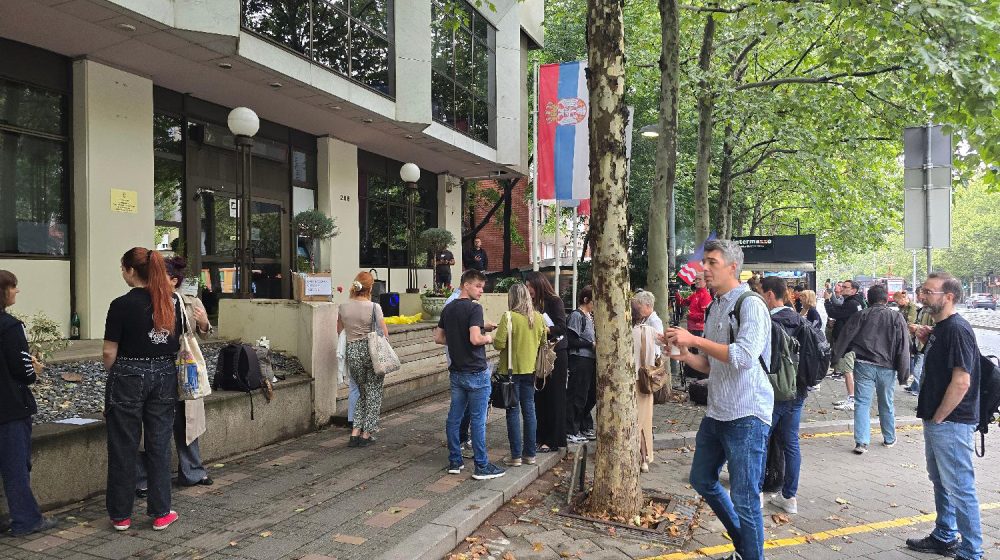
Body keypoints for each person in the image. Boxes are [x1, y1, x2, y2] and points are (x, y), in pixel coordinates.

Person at [665, 239, 772, 560]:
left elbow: (743, 356)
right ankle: (744, 546)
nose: (704, 268)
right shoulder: (714, 306)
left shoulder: (751, 304)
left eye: (712, 262)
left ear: (732, 267)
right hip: (717, 412)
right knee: (701, 478)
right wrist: (685, 354)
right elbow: (711, 364)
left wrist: (693, 337)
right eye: (704, 262)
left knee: (745, 497)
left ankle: (750, 554)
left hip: (748, 414)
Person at [103, 247, 183, 531]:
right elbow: (179, 340)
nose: (122, 274)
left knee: (123, 445)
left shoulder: (120, 305)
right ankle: (161, 512)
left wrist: (118, 371)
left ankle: (121, 515)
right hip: (165, 374)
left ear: (132, 271)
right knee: (159, 444)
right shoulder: (173, 301)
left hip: (128, 374)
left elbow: (109, 352)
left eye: (123, 269)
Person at [905, 272, 983, 560]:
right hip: (940, 420)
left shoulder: (957, 329)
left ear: (948, 297)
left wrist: (939, 417)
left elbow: (962, 381)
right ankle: (945, 535)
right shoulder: (941, 327)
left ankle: (971, 551)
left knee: (960, 487)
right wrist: (926, 337)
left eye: (928, 292)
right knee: (942, 481)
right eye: (921, 290)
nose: (922, 296)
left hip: (951, 422)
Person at [136, 257, 212, 497]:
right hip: (154, 370)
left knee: (186, 422)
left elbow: (203, 335)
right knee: (150, 426)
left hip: (182, 369)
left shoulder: (190, 301)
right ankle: (143, 479)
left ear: (173, 280)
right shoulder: (141, 301)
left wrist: (204, 324)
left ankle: (193, 471)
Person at [0, 270, 58, 537]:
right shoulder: (10, 327)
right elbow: (23, 371)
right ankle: (25, 519)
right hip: (10, 406)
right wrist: (34, 368)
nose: (17, 291)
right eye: (13, 287)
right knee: (15, 466)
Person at [434, 269, 505, 480]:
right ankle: (481, 466)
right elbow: (475, 339)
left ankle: (455, 460)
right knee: (478, 419)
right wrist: (489, 338)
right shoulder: (474, 309)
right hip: (476, 372)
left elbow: (438, 337)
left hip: (456, 372)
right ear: (466, 285)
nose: (481, 291)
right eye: (478, 286)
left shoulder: (448, 308)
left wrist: (458, 339)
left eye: (482, 287)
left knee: (454, 418)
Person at [831, 285, 909, 454]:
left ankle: (861, 442)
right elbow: (903, 346)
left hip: (864, 364)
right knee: (886, 403)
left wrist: (836, 358)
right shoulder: (896, 317)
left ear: (868, 299)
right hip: (887, 367)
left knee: (861, 404)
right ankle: (889, 438)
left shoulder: (861, 315)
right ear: (886, 299)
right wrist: (904, 373)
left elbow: (846, 336)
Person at [759, 277, 810, 514]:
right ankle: (790, 497)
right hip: (797, 391)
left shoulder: (768, 322)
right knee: (791, 444)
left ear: (770, 295)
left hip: (773, 391)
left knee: (760, 441)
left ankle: (756, 492)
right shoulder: (800, 320)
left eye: (761, 293)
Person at [494, 283, 546, 467]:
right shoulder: (538, 318)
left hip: (510, 373)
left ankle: (515, 456)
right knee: (530, 411)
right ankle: (530, 454)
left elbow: (498, 344)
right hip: (530, 371)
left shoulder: (508, 317)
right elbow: (543, 341)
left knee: (513, 412)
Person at [338, 272, 389, 448]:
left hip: (352, 350)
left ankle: (355, 432)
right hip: (370, 350)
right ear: (370, 287)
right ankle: (366, 433)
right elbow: (383, 332)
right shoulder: (374, 307)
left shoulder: (343, 306)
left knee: (361, 391)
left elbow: (340, 331)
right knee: (374, 392)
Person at [525, 271, 568, 453]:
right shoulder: (530, 304)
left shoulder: (554, 301)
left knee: (554, 396)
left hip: (555, 353)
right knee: (539, 396)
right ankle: (540, 436)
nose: (528, 290)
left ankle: (553, 439)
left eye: (530, 287)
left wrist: (544, 329)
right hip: (538, 352)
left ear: (539, 285)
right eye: (526, 287)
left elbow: (561, 327)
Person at [825, 279, 865, 411]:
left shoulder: (852, 304)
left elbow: (834, 313)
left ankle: (852, 398)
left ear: (853, 290)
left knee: (847, 371)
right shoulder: (855, 302)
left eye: (845, 287)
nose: (842, 288)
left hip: (848, 344)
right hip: (852, 342)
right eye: (842, 286)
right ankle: (852, 397)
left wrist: (827, 301)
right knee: (849, 371)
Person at [566, 286, 596, 444]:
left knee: (588, 395)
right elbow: (571, 340)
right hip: (580, 359)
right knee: (577, 394)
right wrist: (590, 344)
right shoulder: (577, 316)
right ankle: (571, 429)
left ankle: (583, 424)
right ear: (586, 300)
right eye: (593, 301)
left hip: (590, 359)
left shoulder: (590, 316)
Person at [632, 299, 657, 473]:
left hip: (631, 380)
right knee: (645, 420)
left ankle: (640, 456)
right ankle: (645, 457)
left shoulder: (626, 333)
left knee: (634, 419)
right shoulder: (651, 331)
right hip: (647, 380)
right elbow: (658, 353)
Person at [905, 298, 936, 396]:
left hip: (925, 346)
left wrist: (919, 328)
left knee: (918, 369)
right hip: (921, 344)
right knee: (920, 370)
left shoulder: (931, 312)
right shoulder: (923, 310)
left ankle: (918, 390)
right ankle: (917, 389)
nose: (920, 298)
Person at [676, 273, 712, 337]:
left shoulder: (706, 296)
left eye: (699, 279)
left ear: (706, 281)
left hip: (699, 329)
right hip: (692, 327)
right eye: (696, 279)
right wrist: (677, 294)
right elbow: (683, 302)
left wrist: (690, 315)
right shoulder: (695, 294)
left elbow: (705, 315)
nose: (697, 281)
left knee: (695, 347)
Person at [632, 290, 664, 356]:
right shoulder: (644, 319)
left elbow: (660, 341)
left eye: (639, 308)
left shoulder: (654, 320)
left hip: (651, 357)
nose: (637, 311)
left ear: (648, 305)